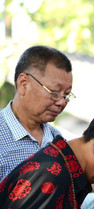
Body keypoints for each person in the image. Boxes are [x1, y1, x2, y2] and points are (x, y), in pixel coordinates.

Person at [0, 45, 73, 180]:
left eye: (66, 95)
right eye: (54, 92)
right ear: (24, 84)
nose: (62, 102)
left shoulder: (56, 139)